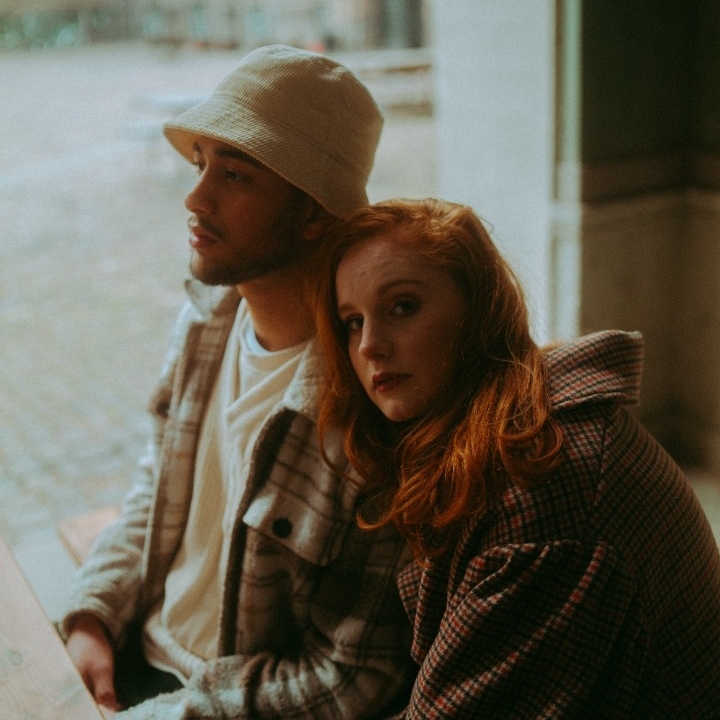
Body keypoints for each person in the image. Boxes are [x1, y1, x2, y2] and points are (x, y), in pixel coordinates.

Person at [59, 45, 416, 720]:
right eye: (200, 164)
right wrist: (93, 614)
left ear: (315, 213)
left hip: (226, 705)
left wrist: (167, 714)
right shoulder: (207, 320)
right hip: (138, 649)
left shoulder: (372, 399)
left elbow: (352, 676)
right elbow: (157, 488)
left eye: (235, 174)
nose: (195, 197)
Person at [313, 197, 720, 719]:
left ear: (479, 309)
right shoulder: (500, 424)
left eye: (403, 306)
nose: (369, 346)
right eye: (352, 321)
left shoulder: (539, 487)